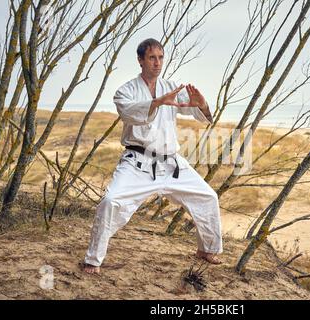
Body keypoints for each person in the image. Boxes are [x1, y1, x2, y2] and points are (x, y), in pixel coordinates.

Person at [83, 38, 223, 274]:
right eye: (151, 58)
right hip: (137, 163)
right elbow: (129, 114)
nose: (157, 63)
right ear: (140, 60)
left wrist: (203, 104)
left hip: (171, 163)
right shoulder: (125, 91)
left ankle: (207, 249)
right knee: (110, 202)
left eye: (160, 57)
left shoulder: (171, 87)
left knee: (208, 197)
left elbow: (197, 112)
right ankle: (93, 260)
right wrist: (158, 102)